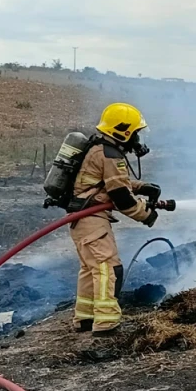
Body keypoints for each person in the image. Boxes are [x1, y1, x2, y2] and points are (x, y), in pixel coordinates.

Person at [69, 102, 160, 336]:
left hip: (83, 219)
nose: (137, 139)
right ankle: (106, 323)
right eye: (136, 133)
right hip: (91, 218)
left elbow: (110, 182)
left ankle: (85, 318)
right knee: (108, 269)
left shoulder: (101, 148)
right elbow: (121, 198)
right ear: (123, 132)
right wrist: (146, 215)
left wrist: (142, 186)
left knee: (91, 269)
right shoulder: (110, 155)